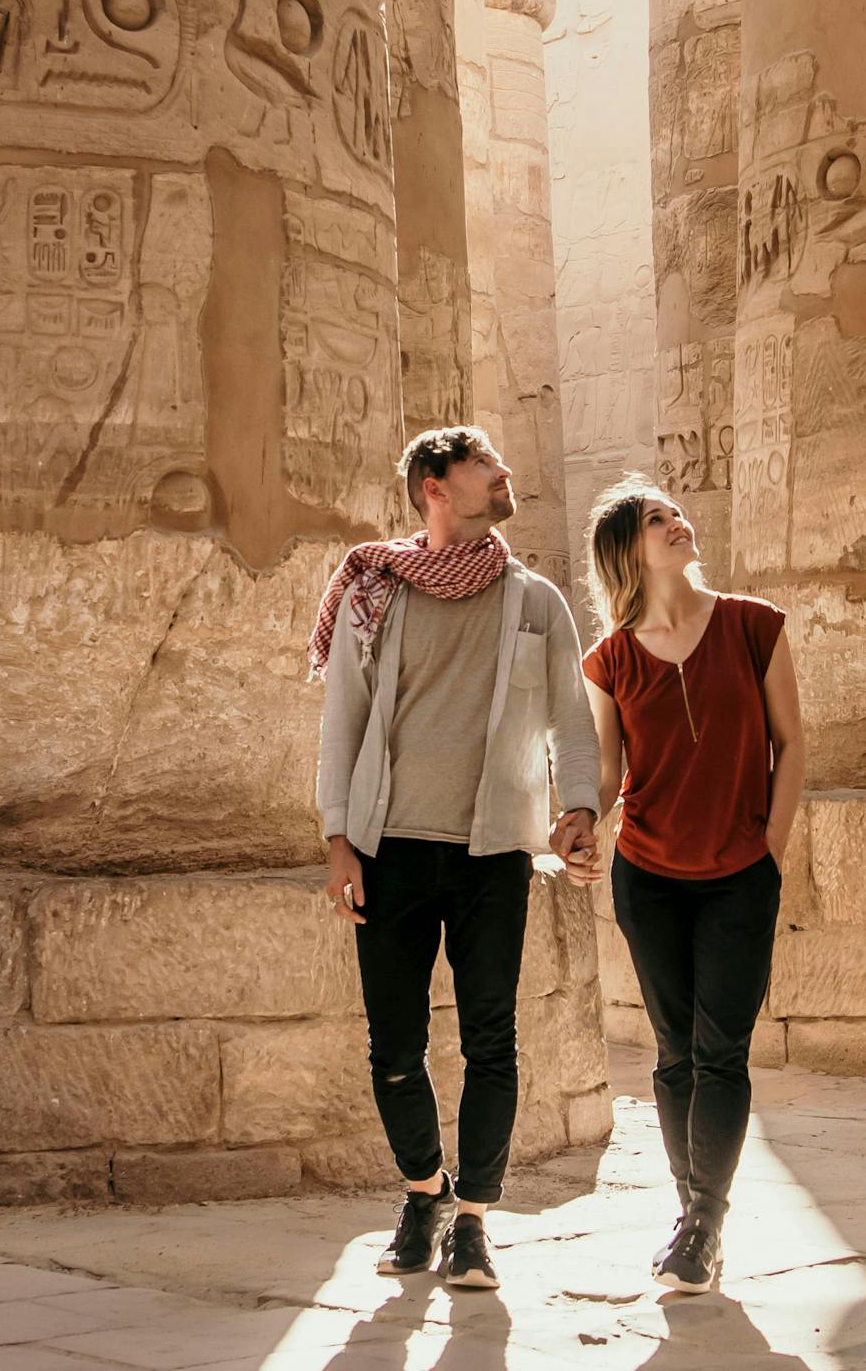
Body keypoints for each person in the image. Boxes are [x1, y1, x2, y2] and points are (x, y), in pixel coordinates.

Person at [312, 427, 600, 1292]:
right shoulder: (375, 592)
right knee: (393, 1048)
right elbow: (343, 720)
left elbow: (569, 720)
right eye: (484, 466)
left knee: (491, 1044)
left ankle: (472, 1219)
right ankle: (419, 1191)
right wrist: (336, 840)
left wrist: (578, 808)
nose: (505, 474)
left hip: (492, 858)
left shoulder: (536, 600)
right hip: (386, 849)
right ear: (435, 487)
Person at [561, 476, 805, 1296]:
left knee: (721, 1053)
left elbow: (791, 744)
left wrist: (769, 847)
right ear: (628, 551)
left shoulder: (752, 624)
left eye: (676, 512)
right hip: (651, 876)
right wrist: (580, 822)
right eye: (657, 519)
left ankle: (704, 1220)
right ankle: (692, 1218)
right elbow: (607, 769)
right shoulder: (611, 658)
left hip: (741, 874)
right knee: (673, 1057)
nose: (678, 523)